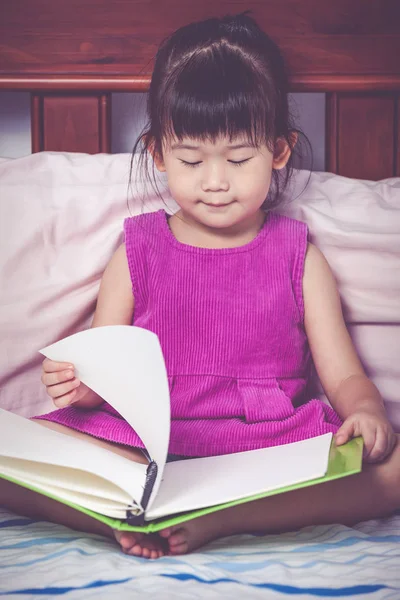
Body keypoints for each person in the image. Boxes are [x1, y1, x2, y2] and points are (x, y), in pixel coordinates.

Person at [1, 13, 399, 560]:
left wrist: (367, 411)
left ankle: (230, 517)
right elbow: (104, 365)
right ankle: (117, 515)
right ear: (160, 154)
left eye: (238, 159)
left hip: (262, 444)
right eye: (191, 160)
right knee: (15, 456)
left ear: (278, 152)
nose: (215, 181)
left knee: (393, 467)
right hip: (143, 442)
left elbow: (345, 375)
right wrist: (81, 383)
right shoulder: (137, 249)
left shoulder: (297, 255)